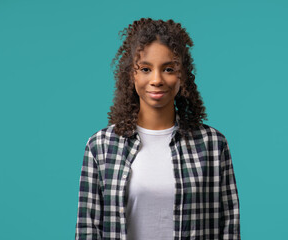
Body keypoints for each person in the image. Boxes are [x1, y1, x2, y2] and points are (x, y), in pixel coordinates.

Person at [75, 17, 240, 240]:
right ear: (131, 74)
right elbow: (87, 231)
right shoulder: (100, 146)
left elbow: (229, 228)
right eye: (145, 68)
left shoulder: (212, 144)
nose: (156, 79)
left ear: (182, 74)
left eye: (168, 69)